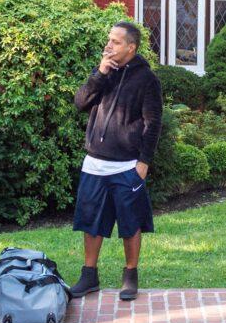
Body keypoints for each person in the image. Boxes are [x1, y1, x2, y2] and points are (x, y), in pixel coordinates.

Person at [68, 21, 163, 302]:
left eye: (115, 42)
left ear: (131, 47)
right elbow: (80, 103)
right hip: (94, 163)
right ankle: (89, 275)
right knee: (90, 221)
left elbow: (153, 122)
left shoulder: (147, 79)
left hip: (126, 165)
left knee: (130, 223)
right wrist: (99, 74)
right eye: (109, 40)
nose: (108, 45)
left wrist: (144, 161)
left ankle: (130, 274)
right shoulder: (104, 73)